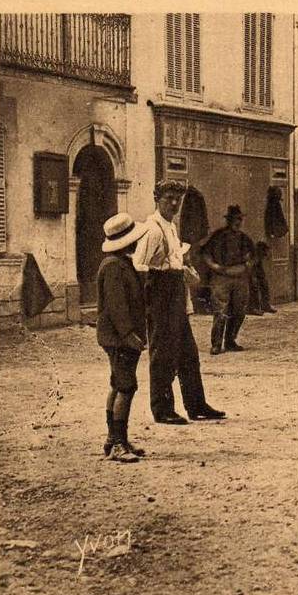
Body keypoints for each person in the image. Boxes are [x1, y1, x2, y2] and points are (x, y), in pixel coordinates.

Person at [133, 180, 225, 425]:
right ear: (157, 199)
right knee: (162, 353)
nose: (174, 203)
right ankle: (162, 409)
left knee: (188, 354)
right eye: (169, 198)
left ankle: (196, 405)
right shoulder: (152, 230)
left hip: (175, 293)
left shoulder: (171, 227)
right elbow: (139, 267)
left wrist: (184, 270)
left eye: (178, 199)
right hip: (160, 295)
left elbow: (173, 259)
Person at [96, 213, 149, 462]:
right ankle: (117, 444)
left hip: (120, 337)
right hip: (119, 339)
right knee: (126, 386)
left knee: (118, 384)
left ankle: (114, 439)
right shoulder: (114, 267)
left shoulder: (120, 264)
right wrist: (129, 335)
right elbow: (117, 307)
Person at [201, 205, 255, 355]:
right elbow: (205, 253)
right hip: (221, 277)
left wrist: (247, 266)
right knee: (221, 311)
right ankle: (216, 344)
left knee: (239, 311)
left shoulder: (244, 238)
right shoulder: (217, 236)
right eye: (236, 219)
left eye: (240, 219)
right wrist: (214, 266)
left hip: (240, 277)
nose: (239, 222)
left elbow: (254, 256)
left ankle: (230, 341)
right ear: (229, 220)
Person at [247, 241, 276, 316]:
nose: (266, 254)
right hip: (243, 272)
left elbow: (260, 272)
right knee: (253, 285)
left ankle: (265, 305)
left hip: (252, 271)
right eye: (265, 251)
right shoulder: (252, 256)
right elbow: (249, 269)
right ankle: (252, 308)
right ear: (260, 250)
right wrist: (253, 279)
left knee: (264, 283)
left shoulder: (259, 257)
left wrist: (263, 279)